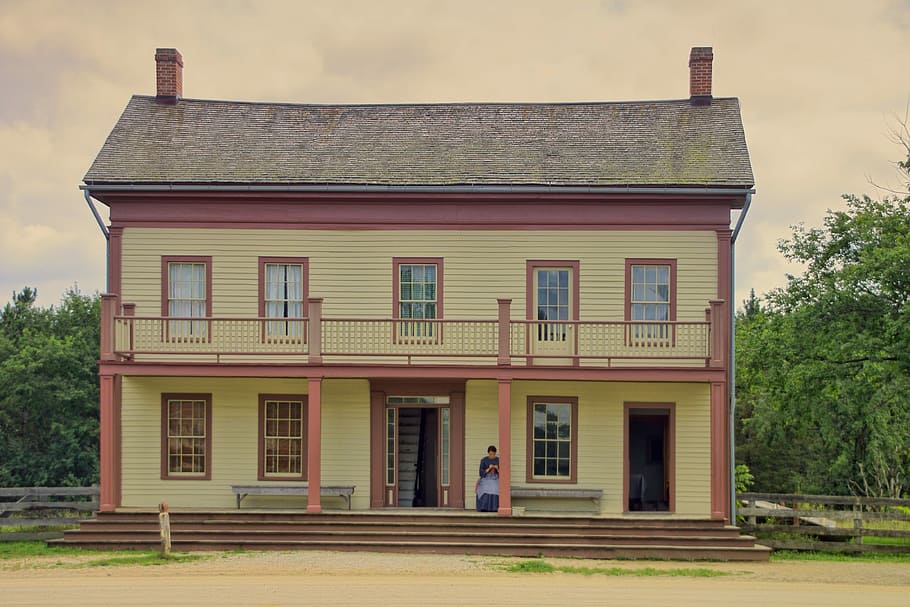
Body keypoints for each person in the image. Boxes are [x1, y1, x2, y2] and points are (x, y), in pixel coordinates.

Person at [476, 445, 500, 512]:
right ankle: (484, 507)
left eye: (493, 454)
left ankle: (494, 507)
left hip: (495, 477)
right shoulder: (483, 460)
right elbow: (480, 473)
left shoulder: (498, 460)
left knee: (495, 486)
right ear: (488, 453)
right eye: (490, 454)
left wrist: (497, 469)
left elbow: (503, 473)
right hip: (486, 477)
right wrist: (488, 469)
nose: (492, 456)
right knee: (485, 486)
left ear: (495, 453)